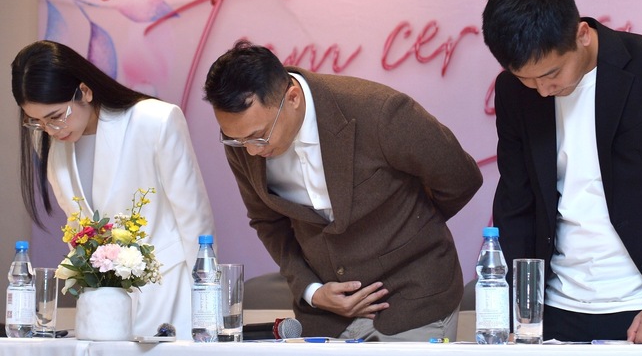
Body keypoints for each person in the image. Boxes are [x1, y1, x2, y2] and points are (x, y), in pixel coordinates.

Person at [482, 0, 642, 344]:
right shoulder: (513, 91)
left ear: (581, 34)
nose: (542, 90)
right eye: (528, 79)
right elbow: (516, 201)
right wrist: (519, 309)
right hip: (557, 310)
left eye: (552, 74)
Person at [202, 40, 482, 341]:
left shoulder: (379, 111)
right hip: (326, 316)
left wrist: (408, 230)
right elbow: (267, 221)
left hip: (414, 299)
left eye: (260, 136)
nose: (251, 151)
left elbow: (460, 177)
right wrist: (312, 291)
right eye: (236, 140)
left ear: (292, 98)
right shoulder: (243, 140)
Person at [11, 40, 215, 340]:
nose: (51, 130)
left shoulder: (155, 120)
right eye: (38, 122)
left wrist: (208, 304)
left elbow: (194, 217)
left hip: (168, 291)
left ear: (84, 91)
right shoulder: (53, 145)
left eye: (56, 116)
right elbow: (79, 230)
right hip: (102, 306)